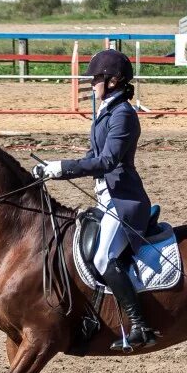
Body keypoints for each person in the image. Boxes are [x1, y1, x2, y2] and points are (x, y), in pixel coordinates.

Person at [33, 49, 157, 350]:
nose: (91, 84)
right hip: (106, 199)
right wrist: (56, 169)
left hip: (124, 201)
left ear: (113, 81)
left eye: (96, 79)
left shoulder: (124, 115)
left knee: (104, 257)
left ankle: (141, 326)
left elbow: (107, 161)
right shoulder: (106, 112)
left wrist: (63, 167)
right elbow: (92, 156)